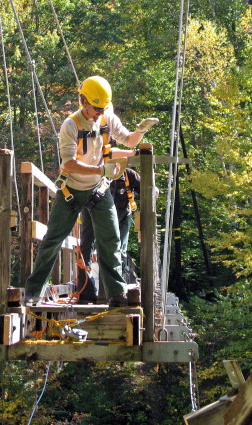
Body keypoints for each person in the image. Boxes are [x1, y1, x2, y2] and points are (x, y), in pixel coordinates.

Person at [23, 76, 157, 307]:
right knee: (52, 240)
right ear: (83, 101)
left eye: (103, 108)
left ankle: (116, 294)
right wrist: (100, 169)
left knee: (111, 241)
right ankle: (33, 292)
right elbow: (69, 164)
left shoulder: (106, 118)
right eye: (96, 108)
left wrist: (141, 131)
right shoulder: (70, 125)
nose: (99, 113)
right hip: (71, 192)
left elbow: (129, 141)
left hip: (98, 191)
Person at [78, 163, 141, 303]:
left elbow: (145, 189)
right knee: (86, 247)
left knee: (119, 251)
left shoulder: (129, 175)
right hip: (93, 210)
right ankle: (85, 292)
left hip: (122, 216)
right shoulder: (96, 171)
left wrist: (152, 190)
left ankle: (115, 292)